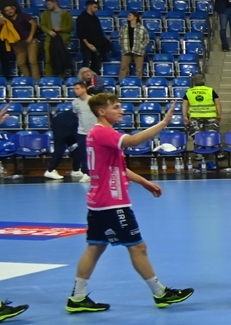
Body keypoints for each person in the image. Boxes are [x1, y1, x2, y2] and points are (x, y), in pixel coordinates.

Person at [65, 93, 193, 313]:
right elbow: (133, 141)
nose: (121, 110)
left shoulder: (98, 134)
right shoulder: (103, 132)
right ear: (102, 112)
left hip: (99, 202)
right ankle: (160, 293)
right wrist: (164, 123)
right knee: (137, 247)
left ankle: (77, 298)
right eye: (116, 107)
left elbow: (118, 168)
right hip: (112, 202)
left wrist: (144, 182)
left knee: (95, 246)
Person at [39, 0, 74, 77]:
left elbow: (71, 27)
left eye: (49, 4)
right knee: (48, 59)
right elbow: (42, 25)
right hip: (50, 39)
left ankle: (62, 78)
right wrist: (49, 31)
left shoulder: (66, 13)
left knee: (61, 58)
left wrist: (60, 29)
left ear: (55, 3)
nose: (47, 6)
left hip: (62, 39)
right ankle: (47, 78)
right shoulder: (46, 14)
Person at [76, 0, 109, 76]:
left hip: (96, 44)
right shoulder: (81, 18)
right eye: (95, 7)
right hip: (87, 44)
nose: (97, 9)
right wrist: (88, 44)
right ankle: (83, 77)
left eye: (97, 7)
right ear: (89, 6)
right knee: (86, 62)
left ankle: (94, 78)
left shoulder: (95, 18)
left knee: (96, 62)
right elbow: (81, 33)